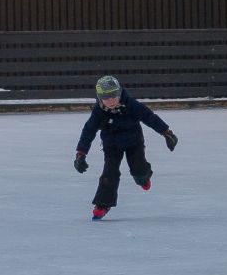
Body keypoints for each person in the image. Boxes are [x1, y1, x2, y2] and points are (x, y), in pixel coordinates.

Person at [74, 75, 178, 220]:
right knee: (109, 173)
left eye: (113, 96)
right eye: (106, 97)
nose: (110, 101)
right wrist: (81, 154)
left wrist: (167, 133)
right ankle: (103, 204)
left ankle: (143, 177)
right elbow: (88, 131)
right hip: (111, 145)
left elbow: (149, 117)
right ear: (99, 97)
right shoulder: (99, 111)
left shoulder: (131, 104)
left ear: (119, 93)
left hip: (133, 141)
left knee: (139, 170)